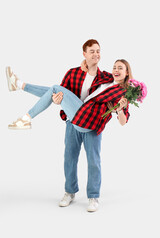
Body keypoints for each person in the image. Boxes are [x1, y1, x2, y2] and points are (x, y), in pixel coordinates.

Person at [6, 39, 131, 211]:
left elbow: (123, 111)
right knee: (69, 158)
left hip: (92, 126)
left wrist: (122, 108)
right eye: (92, 51)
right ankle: (70, 192)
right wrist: (57, 101)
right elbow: (57, 95)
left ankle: (93, 197)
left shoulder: (106, 78)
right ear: (84, 54)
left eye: (98, 51)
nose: (96, 54)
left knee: (94, 161)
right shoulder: (73, 73)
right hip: (73, 121)